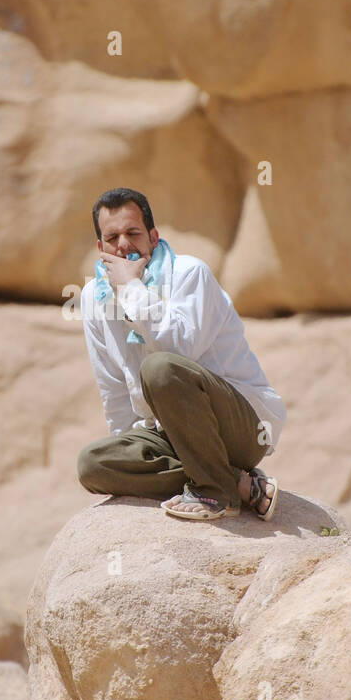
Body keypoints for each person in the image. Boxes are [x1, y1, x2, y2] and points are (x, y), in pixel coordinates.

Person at [75, 187, 285, 521]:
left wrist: (132, 289)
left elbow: (177, 351)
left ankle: (217, 493)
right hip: (170, 434)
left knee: (159, 368)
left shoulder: (189, 274)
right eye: (112, 237)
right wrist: (132, 453)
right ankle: (239, 484)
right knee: (93, 464)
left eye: (133, 233)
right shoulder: (92, 298)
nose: (123, 245)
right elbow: (113, 388)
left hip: (240, 427)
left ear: (153, 237)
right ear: (100, 248)